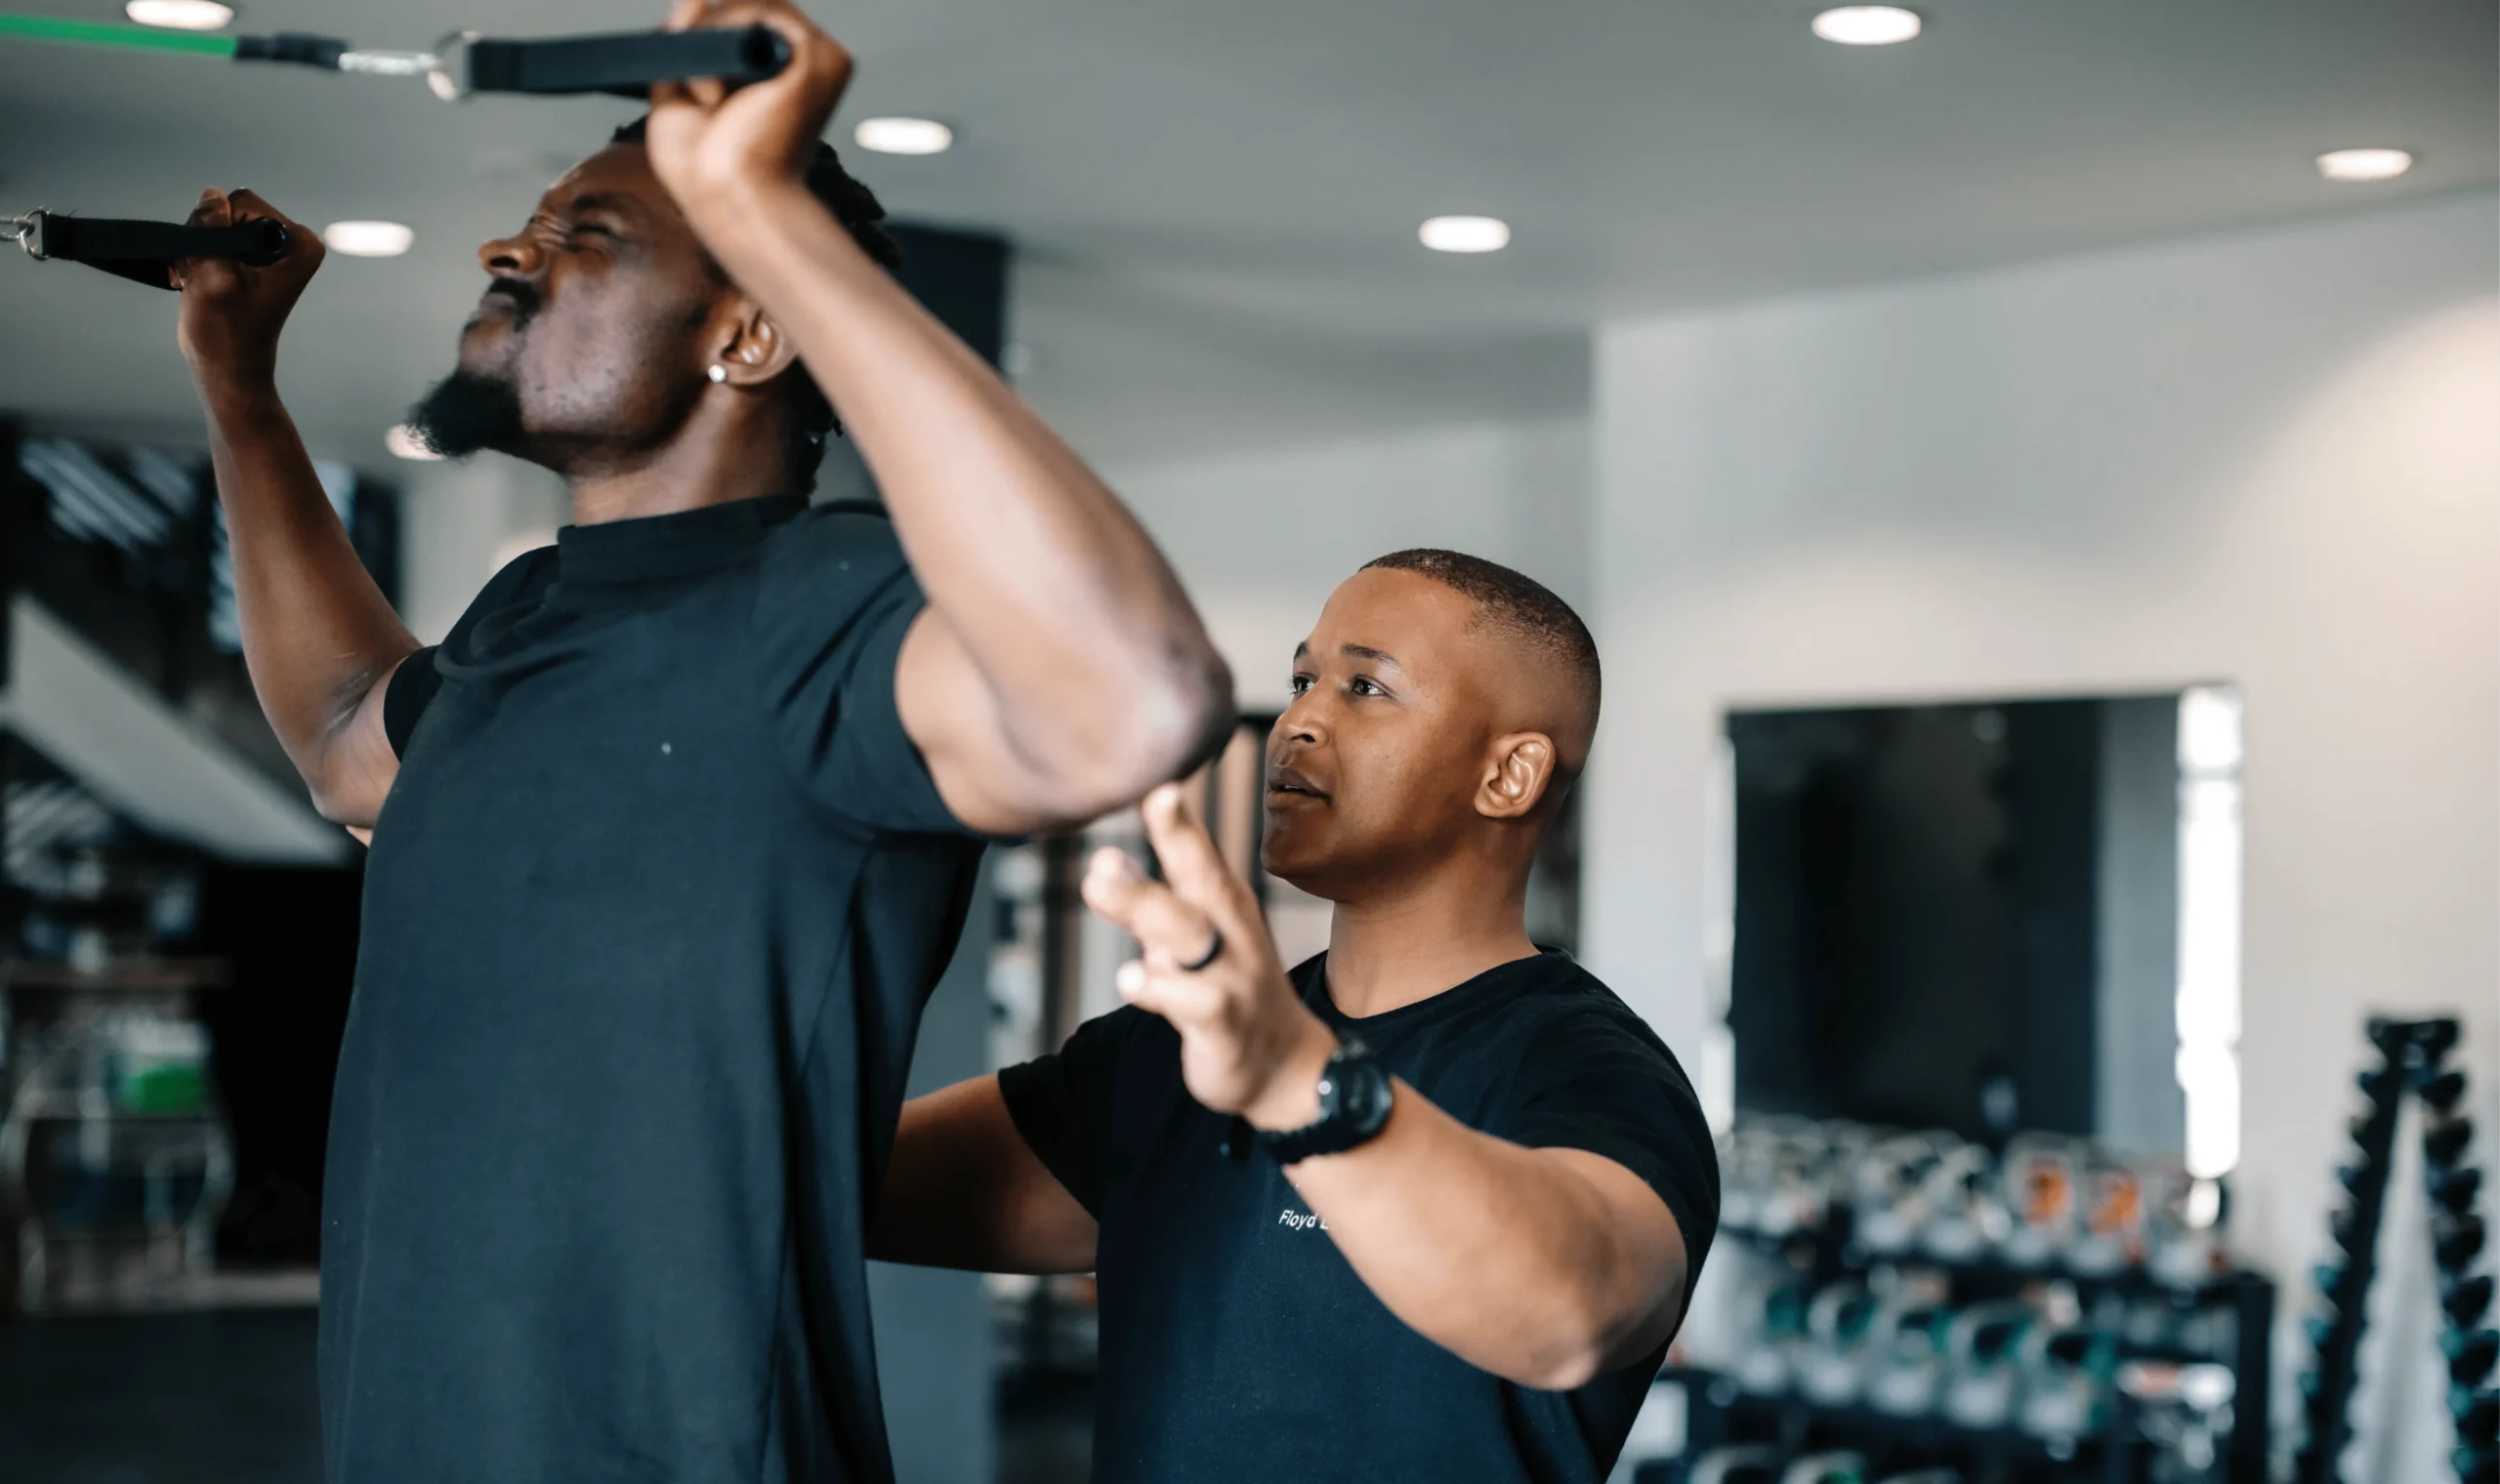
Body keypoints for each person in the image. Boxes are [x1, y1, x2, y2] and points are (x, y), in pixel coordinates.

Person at [168, 1, 1230, 1478]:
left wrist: (760, 205)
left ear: (745, 331)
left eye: (588, 234)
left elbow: (1135, 699)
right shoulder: (527, 615)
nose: (507, 252)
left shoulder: (827, 606)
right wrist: (238, 386)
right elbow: (350, 733)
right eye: (533, 224)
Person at [872, 550, 1722, 1482]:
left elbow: (1572, 1314)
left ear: (1508, 776)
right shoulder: (1167, 1054)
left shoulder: (1583, 1069)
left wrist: (1293, 1081)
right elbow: (830, 1186)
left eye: (1366, 686)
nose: (1299, 722)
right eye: (1302, 679)